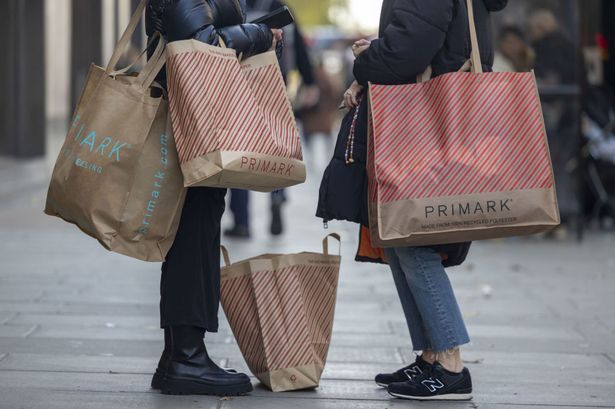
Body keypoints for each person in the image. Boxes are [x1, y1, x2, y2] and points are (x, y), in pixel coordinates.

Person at [321, 0, 508, 401]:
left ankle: (452, 364)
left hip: (422, 123)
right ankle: (431, 356)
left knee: (413, 237)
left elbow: (411, 46)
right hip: (441, 118)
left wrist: (368, 62)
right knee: (402, 236)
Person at [145, 0, 282, 396]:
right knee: (191, 236)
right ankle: (186, 358)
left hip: (198, 118)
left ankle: (180, 355)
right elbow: (200, 43)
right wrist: (260, 35)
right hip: (189, 120)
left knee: (197, 232)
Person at [224, 0, 318, 238]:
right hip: (275, 85)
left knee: (239, 151)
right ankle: (277, 196)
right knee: (276, 147)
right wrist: (309, 82)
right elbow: (300, 50)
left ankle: (242, 221)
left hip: (239, 85)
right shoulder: (279, 5)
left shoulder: (236, 6)